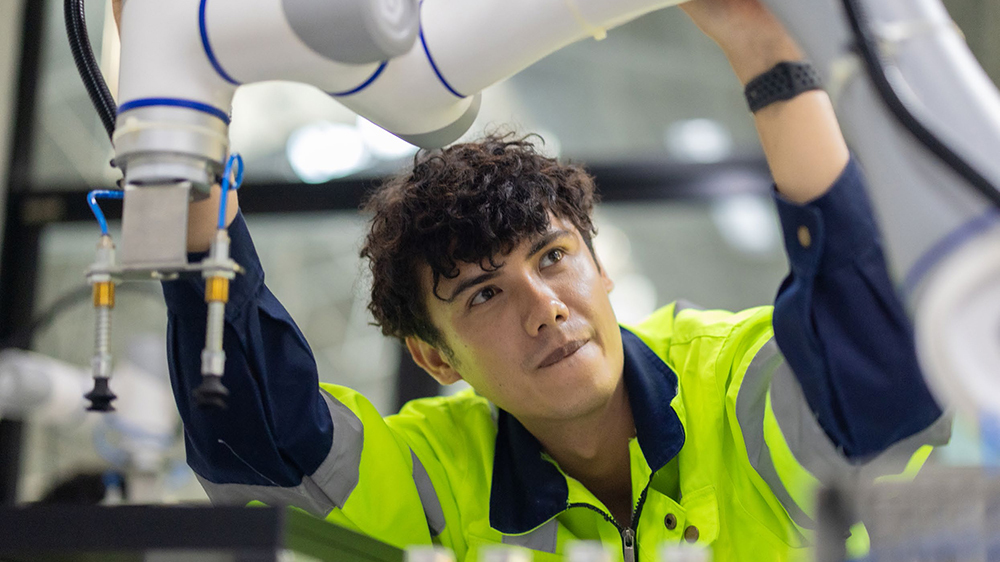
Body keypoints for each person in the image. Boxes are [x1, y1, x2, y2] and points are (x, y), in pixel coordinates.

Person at [125, 0, 950, 559]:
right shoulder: (436, 485)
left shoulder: (733, 390)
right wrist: (182, 135)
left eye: (553, 258)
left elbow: (880, 382)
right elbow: (263, 459)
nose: (545, 308)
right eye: (484, 294)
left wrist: (763, 48)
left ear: (599, 267)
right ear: (435, 358)